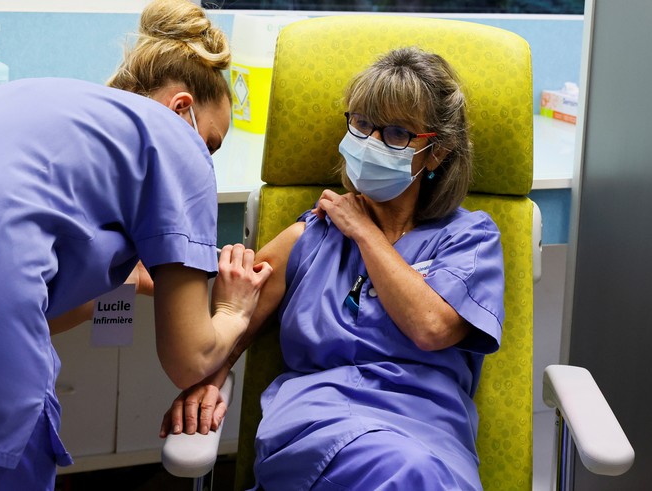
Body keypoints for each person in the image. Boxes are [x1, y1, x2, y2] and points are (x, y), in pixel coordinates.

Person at [0, 1, 272, 490]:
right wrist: (230, 310)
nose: (205, 158)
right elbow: (189, 359)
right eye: (210, 142)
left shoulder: (45, 98)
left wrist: (120, 281)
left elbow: (24, 304)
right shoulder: (173, 140)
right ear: (182, 108)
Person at [161, 46, 505, 491]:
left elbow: (431, 328)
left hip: (429, 436)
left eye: (397, 134)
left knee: (414, 470)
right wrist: (213, 378)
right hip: (321, 425)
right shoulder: (311, 235)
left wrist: (365, 232)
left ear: (435, 154)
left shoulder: (470, 239)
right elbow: (235, 318)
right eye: (362, 123)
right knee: (403, 473)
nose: (370, 143)